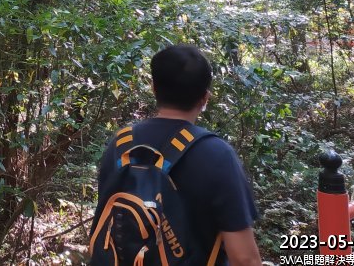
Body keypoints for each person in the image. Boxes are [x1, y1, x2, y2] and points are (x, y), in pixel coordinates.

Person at [95, 44, 263, 266]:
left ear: (154, 88)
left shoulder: (121, 144)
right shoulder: (218, 155)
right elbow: (244, 258)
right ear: (205, 98)